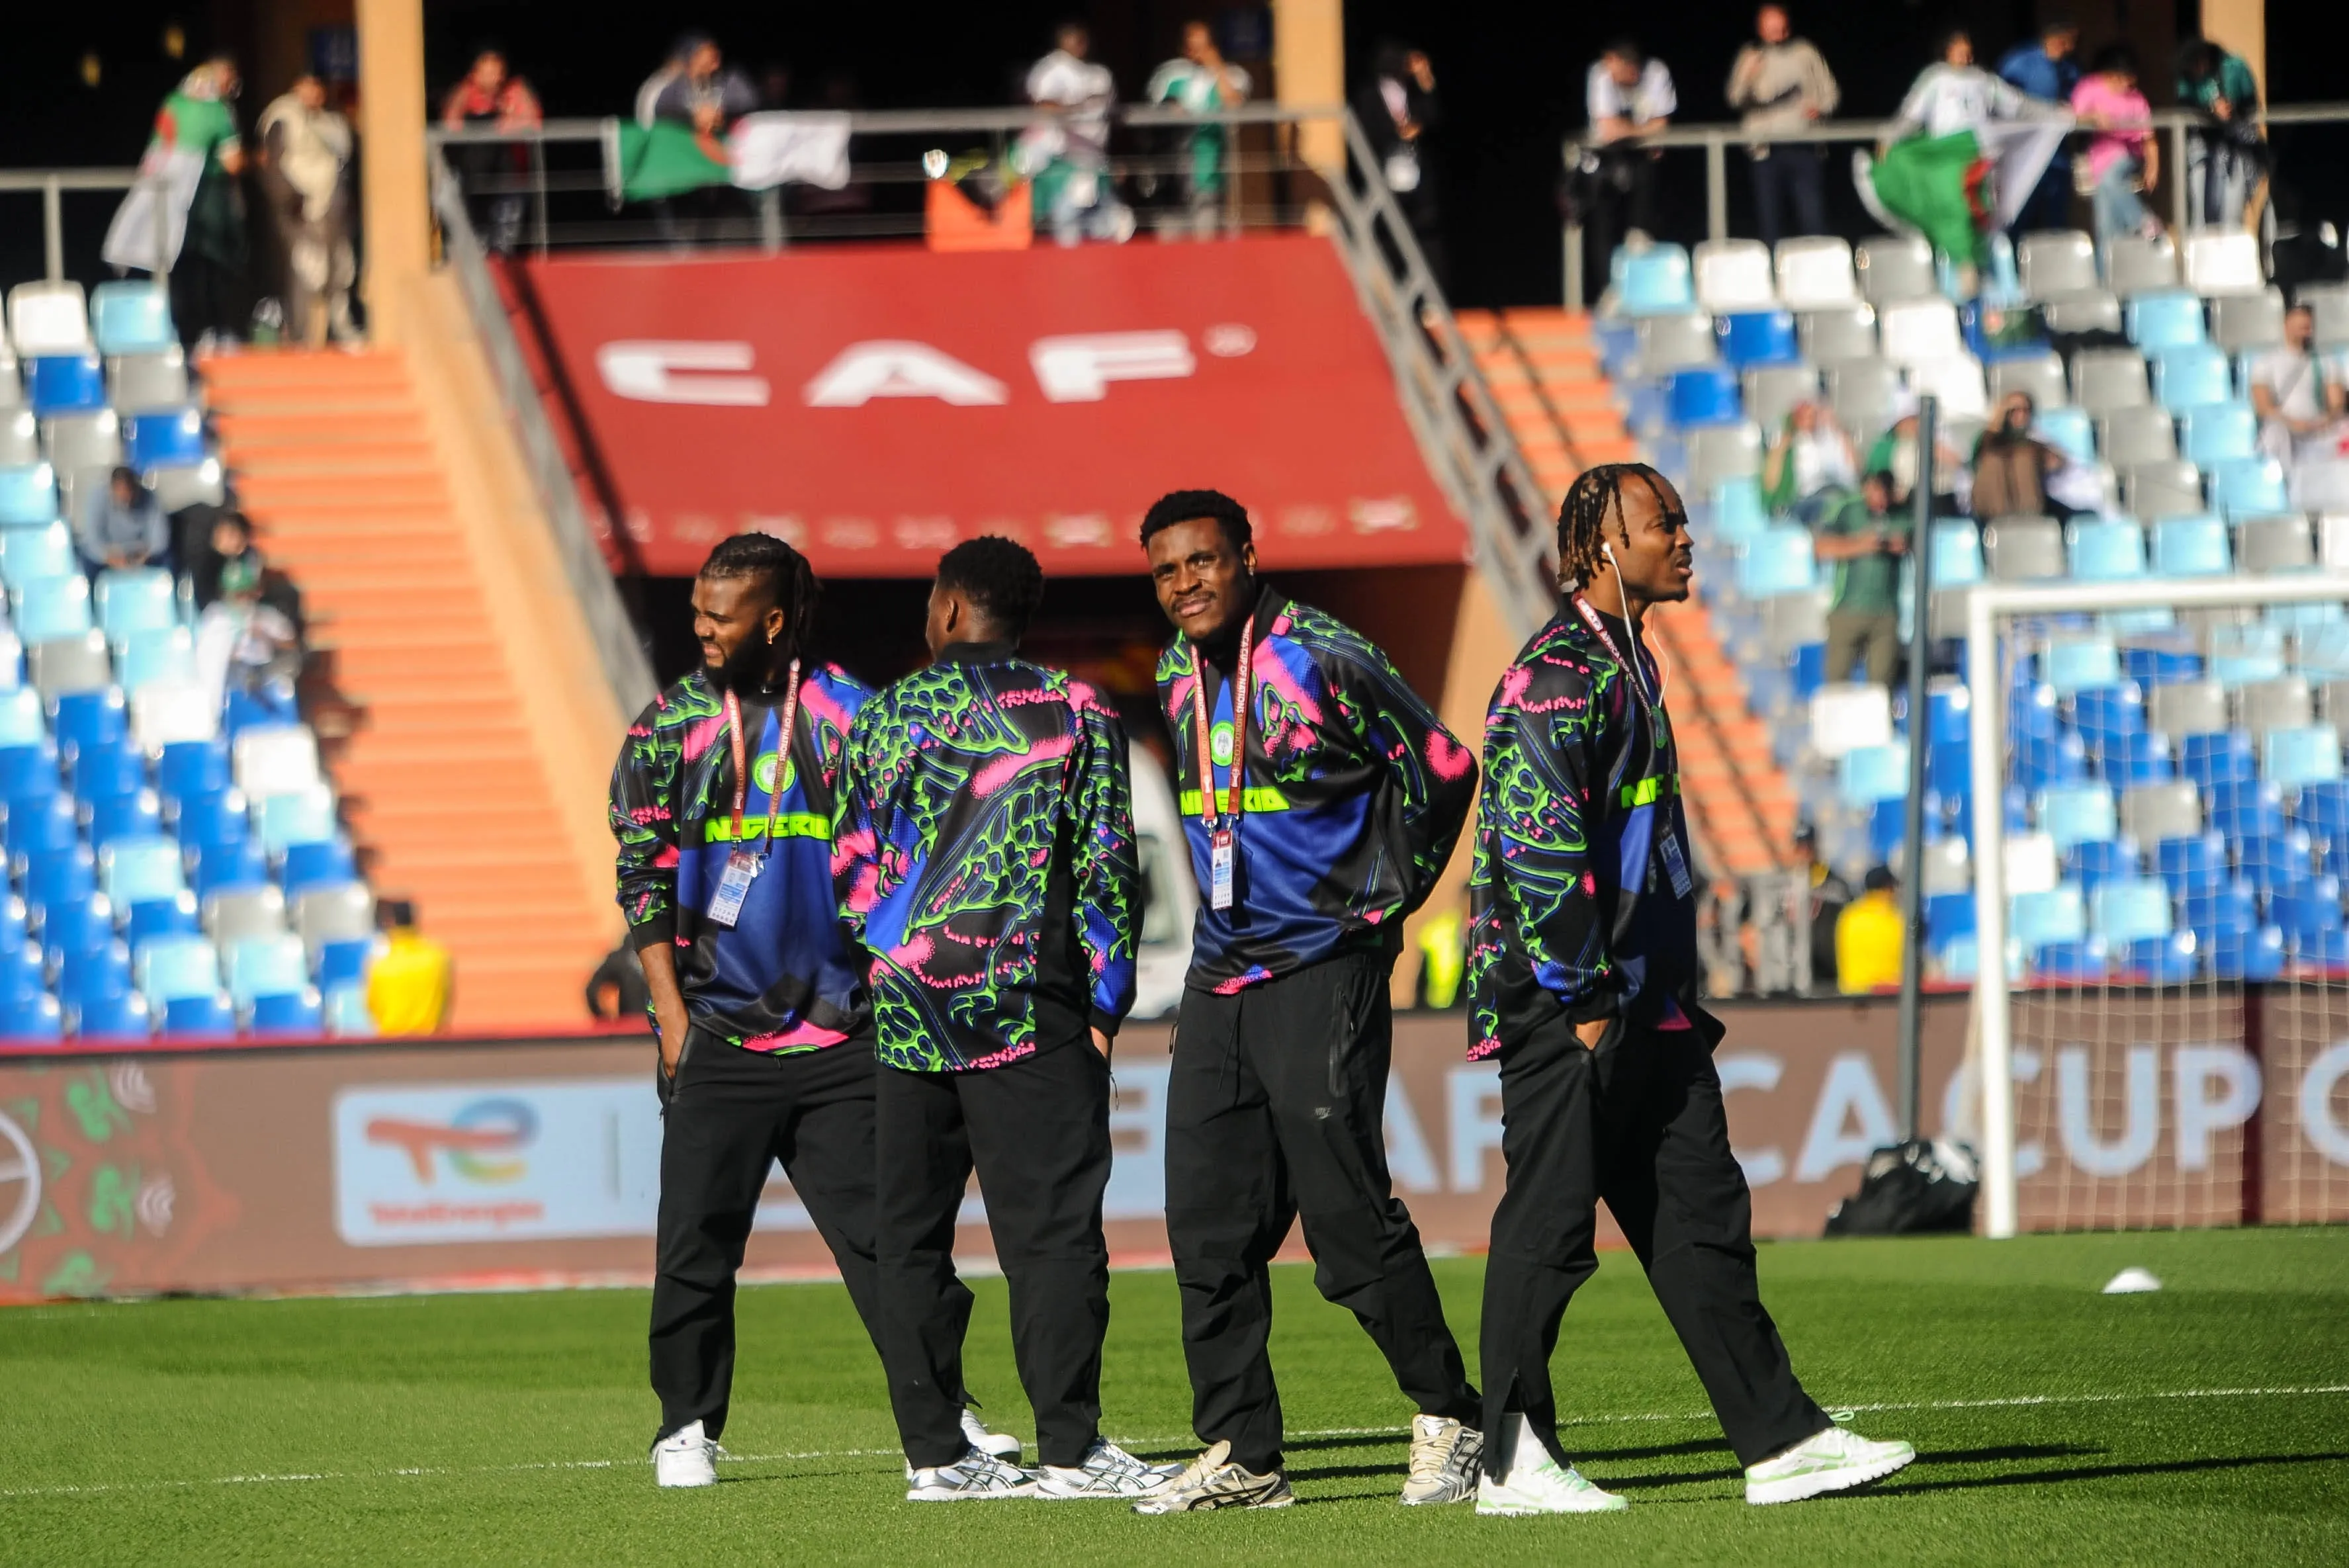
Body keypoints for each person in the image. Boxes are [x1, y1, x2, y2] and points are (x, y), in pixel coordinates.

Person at [1466, 462, 1914, 1515]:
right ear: (1600, 548)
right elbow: (1536, 850)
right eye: (1659, 521)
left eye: (1678, 516)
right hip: (1572, 1004)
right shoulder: (1554, 675)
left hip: (1646, 1001)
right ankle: (1511, 1459)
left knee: (1699, 1214)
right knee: (1547, 1222)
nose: (1683, 535)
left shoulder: (1629, 660)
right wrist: (1582, 1002)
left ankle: (1780, 1438)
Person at [611, 534, 1006, 1489]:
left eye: (722, 612)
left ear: (775, 620)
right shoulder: (666, 730)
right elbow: (641, 879)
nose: (700, 626)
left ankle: (943, 1411)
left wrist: (895, 987)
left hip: (845, 1034)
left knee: (891, 1246)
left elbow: (915, 861)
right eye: (698, 608)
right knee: (695, 1244)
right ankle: (686, 1427)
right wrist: (671, 1017)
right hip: (719, 1033)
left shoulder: (854, 718)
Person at [1131, 490, 1484, 1514]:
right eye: (1165, 571)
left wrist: (1389, 902)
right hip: (1217, 974)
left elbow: (1445, 767)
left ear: (1246, 555)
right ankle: (1243, 1450)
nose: (1185, 584)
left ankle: (1448, 1411)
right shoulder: (1170, 673)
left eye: (1201, 561)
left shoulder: (1324, 654)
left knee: (1341, 1216)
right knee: (1204, 1224)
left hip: (1321, 962)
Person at [833, 537, 1174, 1503]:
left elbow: (850, 872)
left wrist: (895, 962)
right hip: (1030, 1008)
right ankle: (1069, 1448)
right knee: (1053, 1237)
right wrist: (1104, 1006)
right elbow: (1112, 865)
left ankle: (935, 1455)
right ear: (1020, 614)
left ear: (946, 608)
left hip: (907, 1016)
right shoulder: (1076, 711)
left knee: (909, 1237)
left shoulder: (884, 713)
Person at [151, 56, 249, 351]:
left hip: (167, 197)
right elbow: (232, 163)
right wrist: (254, 161)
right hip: (208, 197)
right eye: (228, 81)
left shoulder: (171, 105)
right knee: (214, 265)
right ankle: (213, 331)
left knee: (179, 267)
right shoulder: (217, 111)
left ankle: (184, 335)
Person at [1725, 5, 1839, 249]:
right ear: (1760, 28)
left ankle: (1818, 274)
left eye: (1780, 25)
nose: (1777, 31)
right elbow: (1734, 98)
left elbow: (1831, 93)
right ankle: (1774, 278)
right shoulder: (1750, 55)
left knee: (1813, 220)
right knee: (1770, 224)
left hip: (1804, 147)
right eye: (1770, 26)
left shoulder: (1805, 52)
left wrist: (1820, 107)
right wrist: (1749, 76)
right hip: (1765, 151)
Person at [256, 75, 357, 345]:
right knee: (309, 270)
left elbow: (343, 162)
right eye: (307, 87)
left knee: (340, 269)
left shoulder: (330, 122)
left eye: (318, 88)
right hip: (299, 208)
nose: (313, 93)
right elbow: (273, 165)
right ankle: (304, 335)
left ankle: (339, 328)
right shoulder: (283, 117)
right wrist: (291, 199)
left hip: (332, 208)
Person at [637, 34, 758, 244]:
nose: (714, 61)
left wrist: (721, 112)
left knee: (728, 234)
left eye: (715, 55)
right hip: (681, 174)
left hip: (722, 176)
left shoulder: (728, 79)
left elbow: (748, 99)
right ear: (690, 58)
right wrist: (693, 115)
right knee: (684, 236)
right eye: (706, 56)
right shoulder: (672, 85)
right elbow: (659, 108)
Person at [1579, 40, 1675, 301]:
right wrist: (1643, 131)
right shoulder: (1600, 74)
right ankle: (1610, 291)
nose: (1614, 75)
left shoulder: (1655, 72)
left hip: (1643, 159)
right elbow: (1608, 129)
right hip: (1604, 159)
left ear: (1633, 68)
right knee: (1604, 226)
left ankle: (1645, 292)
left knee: (1643, 226)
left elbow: (1663, 124)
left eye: (1619, 70)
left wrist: (1630, 131)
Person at [1023, 22, 1132, 247]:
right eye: (1071, 40)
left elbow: (1111, 114)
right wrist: (1076, 107)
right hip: (1064, 160)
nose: (1077, 45)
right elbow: (1043, 105)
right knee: (1066, 222)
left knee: (1115, 224)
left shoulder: (1100, 74)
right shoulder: (1051, 69)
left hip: (1096, 161)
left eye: (1080, 40)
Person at [1147, 20, 1251, 239]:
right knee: (1169, 243)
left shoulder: (1232, 74)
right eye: (1192, 47)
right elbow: (1154, 111)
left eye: (1203, 46)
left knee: (1205, 239)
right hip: (1171, 174)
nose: (1196, 53)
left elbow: (1233, 101)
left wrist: (1215, 65)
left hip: (1209, 169)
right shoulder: (1169, 73)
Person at [1355, 44, 1445, 287]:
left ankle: (1429, 297)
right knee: (1389, 234)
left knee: (1424, 236)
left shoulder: (1415, 93)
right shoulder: (1369, 95)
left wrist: (1425, 79)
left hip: (1415, 176)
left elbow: (1434, 117)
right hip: (1386, 174)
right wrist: (1396, 135)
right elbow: (1367, 131)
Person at [440, 48, 543, 253]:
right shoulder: (465, 92)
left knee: (504, 237)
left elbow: (534, 123)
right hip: (473, 178)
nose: (493, 79)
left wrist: (505, 123)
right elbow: (451, 123)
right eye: (486, 73)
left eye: (497, 72)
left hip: (510, 177)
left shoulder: (515, 90)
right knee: (471, 232)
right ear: (474, 74)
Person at [1814, 470, 1910, 689]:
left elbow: (1914, 541)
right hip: (1848, 608)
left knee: (1881, 687)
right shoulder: (1848, 510)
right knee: (1837, 683)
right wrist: (1861, 545)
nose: (1880, 498)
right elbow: (1821, 547)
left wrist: (1899, 545)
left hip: (1885, 612)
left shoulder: (1902, 513)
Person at [194, 550, 304, 723]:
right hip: (226, 692)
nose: (240, 600)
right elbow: (209, 659)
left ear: (256, 592)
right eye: (235, 595)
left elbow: (292, 646)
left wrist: (265, 636)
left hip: (264, 686)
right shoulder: (214, 618)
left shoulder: (267, 617)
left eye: (244, 593)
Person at [1996, 15, 2082, 234]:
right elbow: (2002, 100)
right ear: (2057, 39)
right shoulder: (2019, 61)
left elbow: (2077, 106)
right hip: (2024, 154)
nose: (2072, 47)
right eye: (2069, 40)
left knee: (2057, 218)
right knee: (2019, 215)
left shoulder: (2070, 69)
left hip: (2057, 158)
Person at [2070, 45, 2160, 247]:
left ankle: (2143, 220)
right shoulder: (2090, 87)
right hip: (2097, 160)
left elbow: (2149, 138)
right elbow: (2073, 116)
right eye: (2123, 77)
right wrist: (2093, 117)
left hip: (2128, 156)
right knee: (2105, 221)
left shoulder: (2137, 99)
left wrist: (2153, 167)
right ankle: (2107, 274)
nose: (2128, 83)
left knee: (2110, 180)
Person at [2177, 39, 2264, 231]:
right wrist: (2210, 111)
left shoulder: (2234, 65)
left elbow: (2251, 104)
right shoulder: (2186, 77)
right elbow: (2184, 105)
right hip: (2203, 148)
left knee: (2231, 210)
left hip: (2235, 147)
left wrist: (2232, 109)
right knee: (2201, 207)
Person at [2250, 303, 2348, 466]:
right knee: (2276, 434)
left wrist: (2325, 421)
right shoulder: (2266, 363)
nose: (2306, 331)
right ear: (2287, 325)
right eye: (2301, 326)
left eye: (2308, 326)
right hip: (2285, 427)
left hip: (2319, 428)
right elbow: (2263, 406)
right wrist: (2293, 423)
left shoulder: (2325, 361)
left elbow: (2337, 404)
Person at [1971, 390, 2072, 521]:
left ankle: (2027, 520)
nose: (2021, 415)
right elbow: (1979, 457)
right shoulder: (1990, 441)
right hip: (1993, 508)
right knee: (1993, 461)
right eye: (2014, 410)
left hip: (2033, 504)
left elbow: (2057, 462)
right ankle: (1998, 521)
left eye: (2026, 410)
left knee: (2023, 460)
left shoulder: (2037, 439)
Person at [1759, 399, 1857, 522]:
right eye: (1804, 417)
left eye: (1813, 416)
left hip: (1838, 493)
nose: (1810, 421)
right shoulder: (1790, 447)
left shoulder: (1832, 440)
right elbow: (1770, 483)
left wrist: (1840, 431)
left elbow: (1853, 472)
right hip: (1807, 500)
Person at [366, 900, 453, 1035]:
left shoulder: (380, 965)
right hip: (432, 1044)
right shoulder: (438, 958)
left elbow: (373, 1006)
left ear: (391, 922)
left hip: (392, 1045)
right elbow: (446, 998)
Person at [76, 467, 169, 574]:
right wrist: (110, 557)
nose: (125, 497)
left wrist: (145, 556)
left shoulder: (151, 498)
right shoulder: (97, 498)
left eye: (129, 491)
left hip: (140, 553)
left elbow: (160, 540)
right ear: (111, 489)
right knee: (87, 560)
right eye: (120, 491)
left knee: (167, 561)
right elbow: (92, 540)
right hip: (108, 553)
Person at [1835, 866, 1905, 994]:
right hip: (1887, 995)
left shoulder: (1849, 916)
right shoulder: (1895, 918)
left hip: (1852, 995)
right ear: (1888, 888)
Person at [585, 943, 651, 1022]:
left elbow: (592, 989)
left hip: (631, 1025)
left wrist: (603, 1019)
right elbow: (593, 989)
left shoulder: (621, 955)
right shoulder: (622, 956)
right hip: (657, 1025)